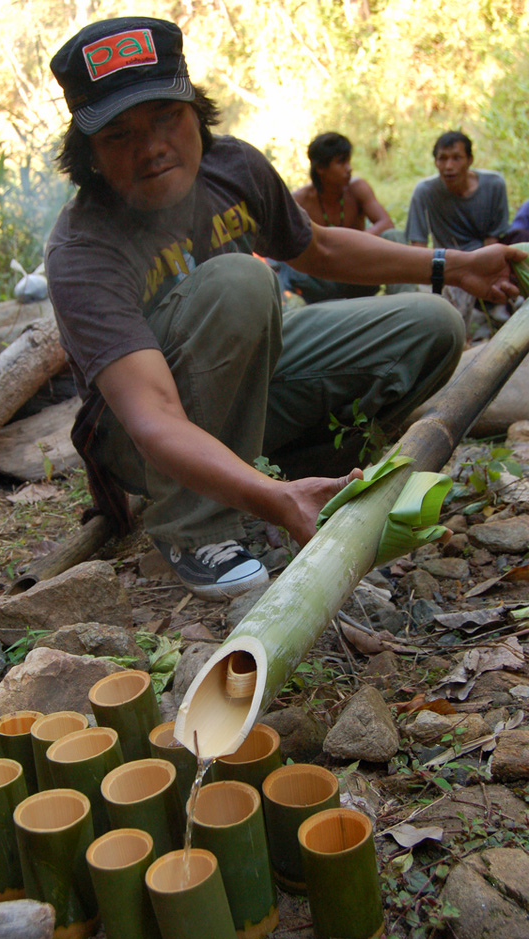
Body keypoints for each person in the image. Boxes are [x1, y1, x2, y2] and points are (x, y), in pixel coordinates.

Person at [46, 17, 523, 601]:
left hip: (244, 387)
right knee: (242, 281)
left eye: (166, 117)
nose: (151, 148)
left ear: (196, 109)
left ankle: (305, 471)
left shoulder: (234, 168)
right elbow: (153, 415)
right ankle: (194, 525)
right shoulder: (82, 247)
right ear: (89, 154)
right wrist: (271, 503)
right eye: (119, 134)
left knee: (434, 327)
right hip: (139, 437)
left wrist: (453, 265)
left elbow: (317, 246)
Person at [274, 131, 404, 303]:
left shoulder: (357, 188)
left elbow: (386, 223)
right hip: (324, 280)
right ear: (320, 168)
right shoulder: (300, 200)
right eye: (341, 162)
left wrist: (353, 243)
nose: (349, 168)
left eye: (348, 161)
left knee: (394, 237)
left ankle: (405, 304)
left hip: (361, 271)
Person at [405, 131, 509, 251]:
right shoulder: (424, 191)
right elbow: (418, 245)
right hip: (446, 261)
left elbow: (493, 238)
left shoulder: (494, 185)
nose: (449, 166)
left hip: (483, 257)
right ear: (435, 162)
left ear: (470, 160)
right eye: (442, 159)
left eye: (457, 158)